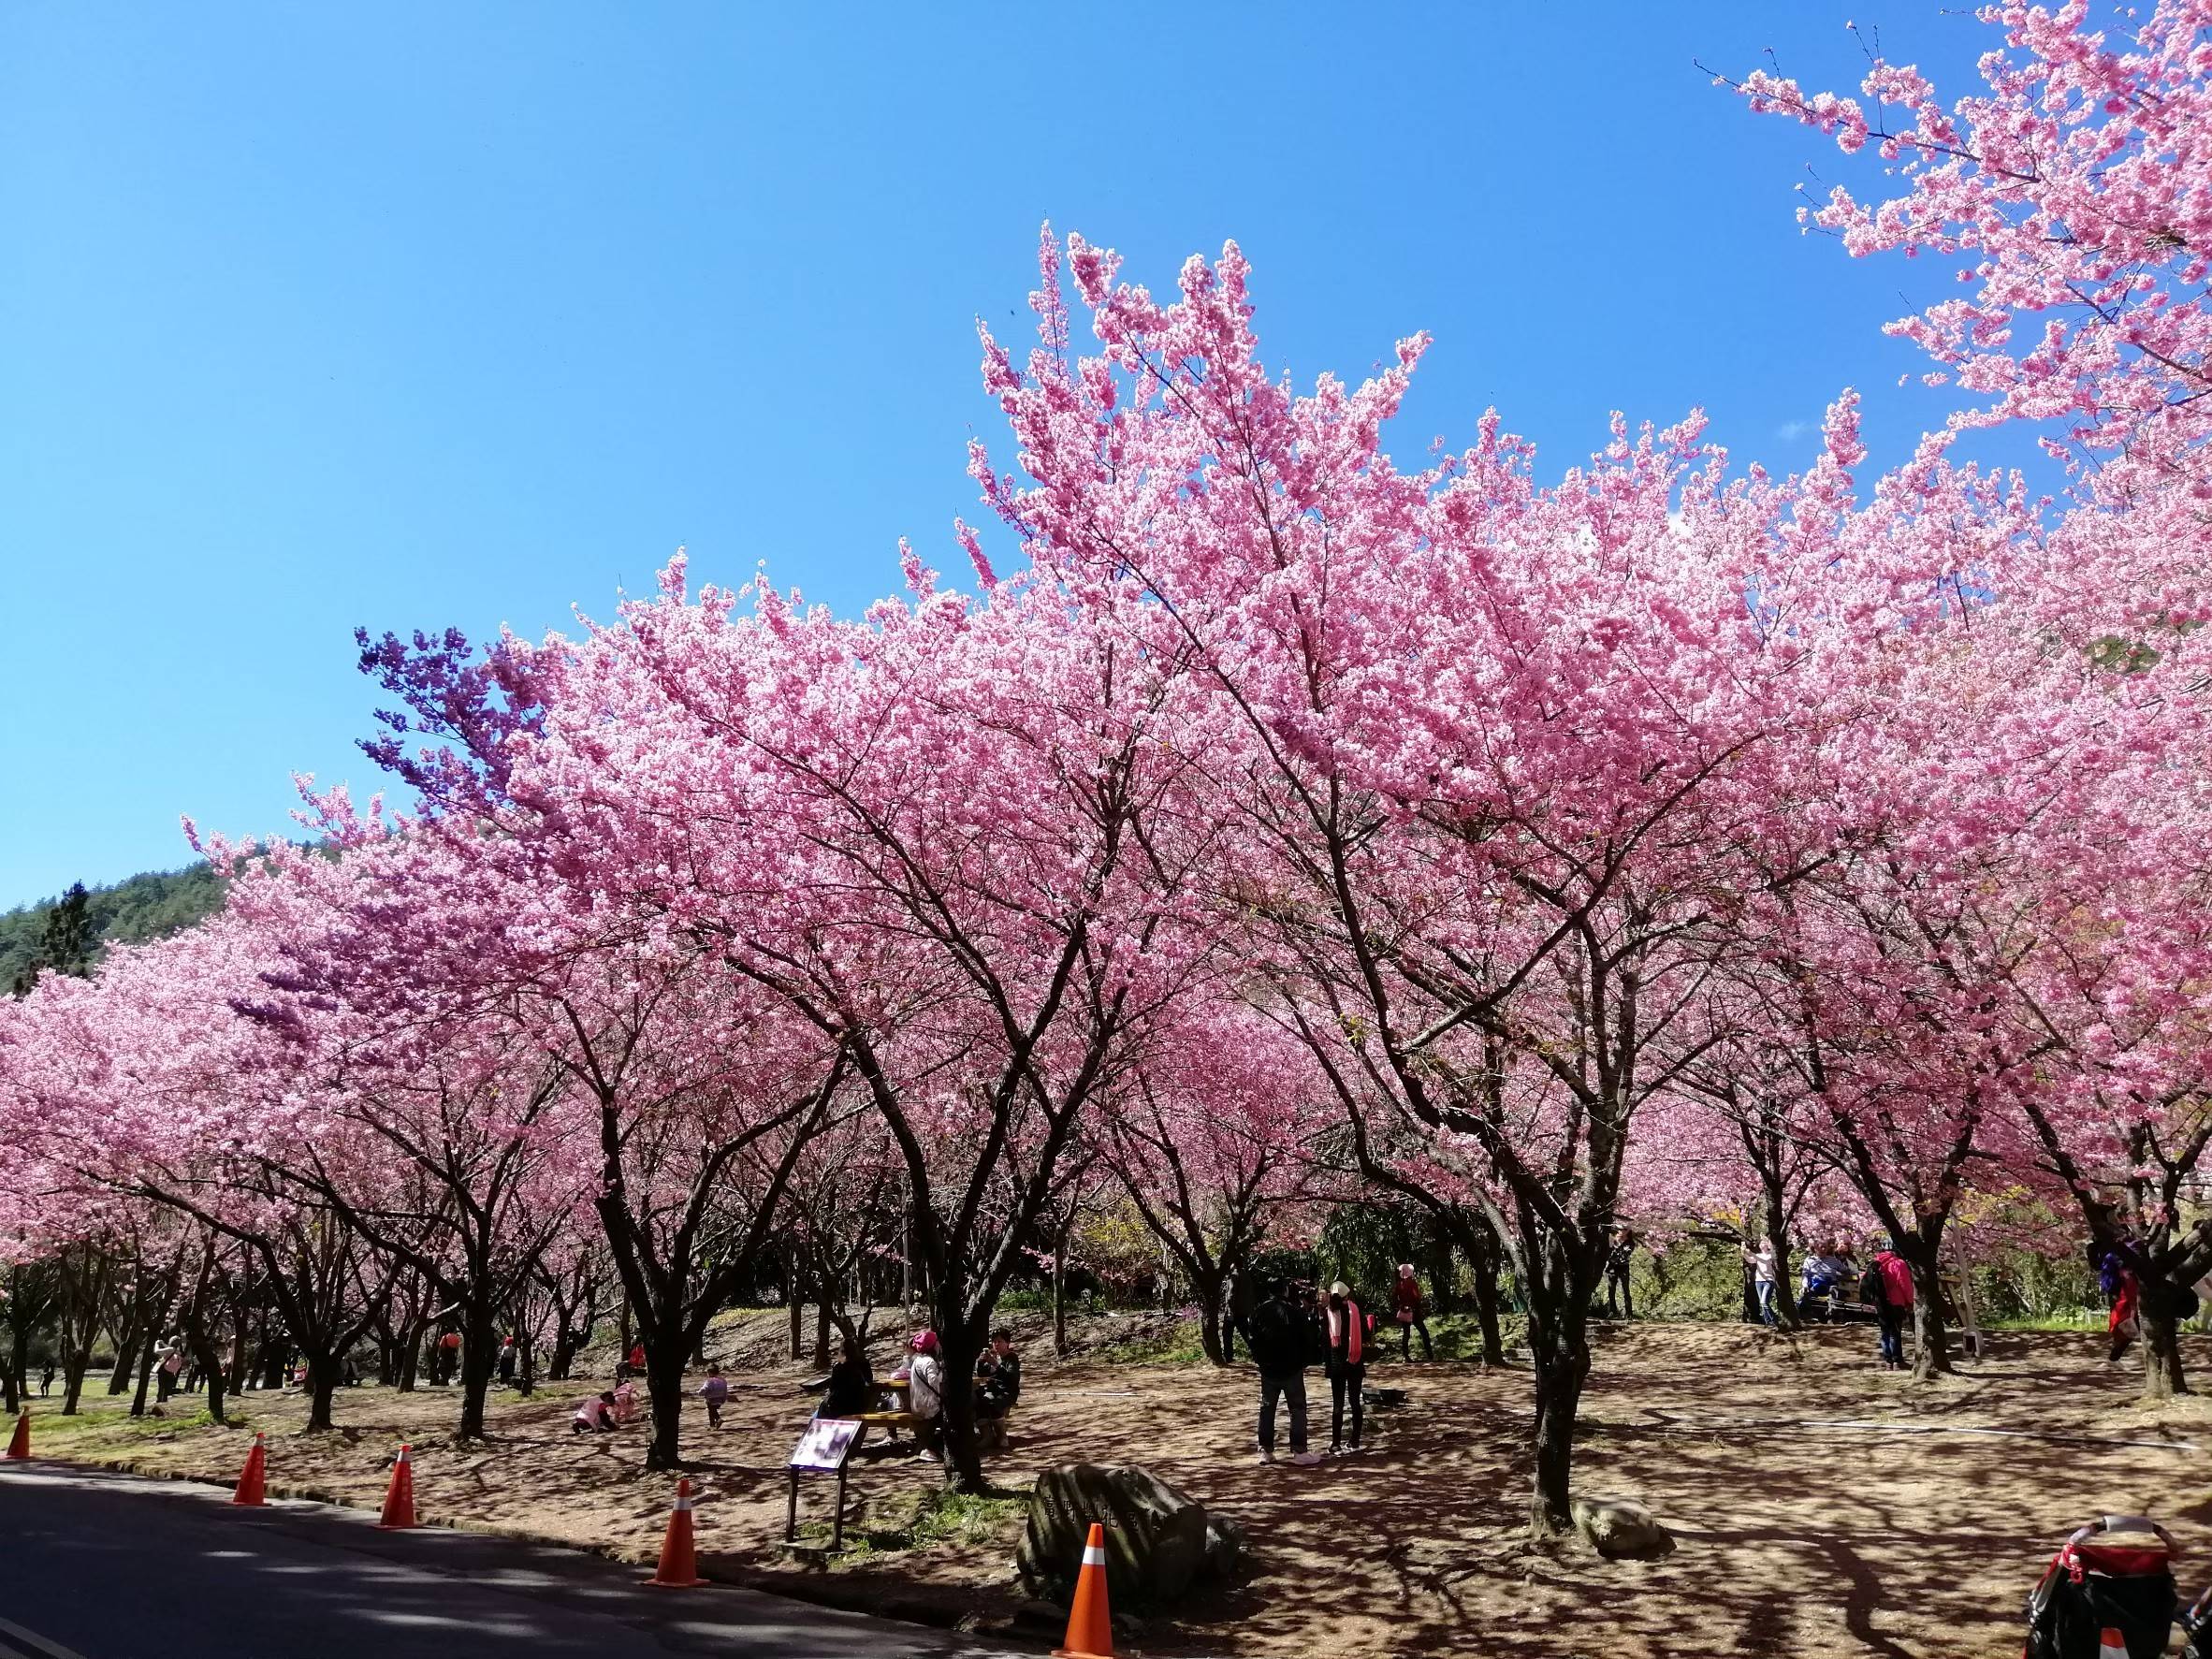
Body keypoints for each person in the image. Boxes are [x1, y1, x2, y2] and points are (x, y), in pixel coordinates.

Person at [1239, 1278, 1318, 1465]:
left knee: (1267, 1409)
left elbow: (1252, 1338)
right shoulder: (1294, 1311)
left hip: (1268, 1369)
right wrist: (1303, 1362)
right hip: (1292, 1368)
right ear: (1284, 1290)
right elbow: (1307, 1339)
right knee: (1297, 1409)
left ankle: (1265, 1451)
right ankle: (1299, 1451)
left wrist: (1260, 1360)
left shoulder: (1259, 1311)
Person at [1323, 1280, 1368, 1455]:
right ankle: (1355, 1440)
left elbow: (1325, 1341)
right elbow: (1365, 1332)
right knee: (1355, 1401)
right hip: (1355, 1361)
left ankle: (1335, 1443)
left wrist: (1327, 1364)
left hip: (1337, 1364)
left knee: (1337, 1404)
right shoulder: (1355, 1310)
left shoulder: (1328, 1312)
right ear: (1347, 1295)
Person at [1867, 1244, 1915, 1370]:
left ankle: (1888, 1361)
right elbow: (1905, 1284)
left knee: (1884, 1332)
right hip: (1896, 1302)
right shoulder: (1898, 1263)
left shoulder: (1875, 1263)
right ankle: (1898, 1361)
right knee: (1895, 1332)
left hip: (1880, 1303)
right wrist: (1910, 1301)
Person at [907, 1331, 946, 1463]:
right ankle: (931, 1447)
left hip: (917, 1404)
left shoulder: (917, 1360)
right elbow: (933, 1381)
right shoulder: (929, 1361)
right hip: (927, 1405)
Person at [818, 1338, 874, 1419]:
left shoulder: (838, 1366)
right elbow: (869, 1381)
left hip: (839, 1407)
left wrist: (827, 1397)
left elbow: (832, 1388)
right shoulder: (864, 1363)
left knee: (822, 1406)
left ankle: (818, 1429)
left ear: (841, 1350)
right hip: (858, 1405)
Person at [1391, 1265, 1433, 1361]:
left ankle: (1406, 1356)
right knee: (1424, 1333)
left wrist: (1401, 1305)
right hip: (1414, 1312)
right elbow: (1417, 1296)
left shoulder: (1399, 1284)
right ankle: (1430, 1355)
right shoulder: (1412, 1283)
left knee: (1406, 1334)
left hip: (1404, 1311)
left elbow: (1394, 1297)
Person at [978, 1329, 1023, 1418]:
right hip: (993, 1391)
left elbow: (1012, 1379)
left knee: (992, 1405)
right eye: (994, 1342)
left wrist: (996, 1364)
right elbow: (981, 1374)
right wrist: (980, 1362)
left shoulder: (1011, 1358)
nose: (996, 1344)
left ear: (1007, 1342)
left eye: (999, 1341)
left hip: (1007, 1393)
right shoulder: (994, 1356)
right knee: (979, 1404)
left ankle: (1000, 1430)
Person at [1744, 1237, 1781, 1326]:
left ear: (1768, 1244)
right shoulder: (1758, 1255)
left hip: (1768, 1281)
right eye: (1761, 1243)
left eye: (1765, 1242)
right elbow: (1750, 1260)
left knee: (1763, 1302)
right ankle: (1768, 1323)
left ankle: (1775, 1320)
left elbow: (1763, 1261)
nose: (1763, 1244)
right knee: (1764, 1303)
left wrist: (1751, 1253)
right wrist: (1744, 1253)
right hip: (1758, 1281)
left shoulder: (1771, 1255)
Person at [1605, 1228, 1637, 1320]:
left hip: (1623, 1267)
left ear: (1628, 1231)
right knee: (1611, 1290)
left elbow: (1625, 1254)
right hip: (1612, 1267)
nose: (1621, 1231)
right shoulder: (1612, 1240)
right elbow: (1608, 1253)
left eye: (1624, 1229)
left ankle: (1629, 1313)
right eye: (1620, 1229)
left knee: (1625, 1290)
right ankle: (1613, 1311)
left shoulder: (1630, 1243)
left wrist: (1617, 1243)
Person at [697, 1361, 730, 1428]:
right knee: (712, 1410)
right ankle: (714, 1425)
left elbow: (704, 1389)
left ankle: (716, 1421)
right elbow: (725, 1391)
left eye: (707, 1373)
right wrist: (724, 1399)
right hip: (720, 1399)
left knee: (711, 1410)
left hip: (711, 1399)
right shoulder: (723, 1380)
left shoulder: (709, 1381)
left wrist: (699, 1393)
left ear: (710, 1372)